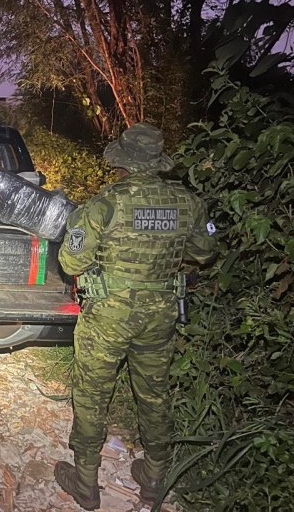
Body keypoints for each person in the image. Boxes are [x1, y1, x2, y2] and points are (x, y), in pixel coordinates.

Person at [54, 123, 217, 510]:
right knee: (154, 393)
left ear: (123, 161)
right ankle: (155, 476)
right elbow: (206, 251)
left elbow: (70, 259)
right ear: (158, 160)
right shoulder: (188, 202)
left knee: (93, 393)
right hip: (160, 316)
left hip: (108, 316)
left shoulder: (105, 204)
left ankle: (86, 481)